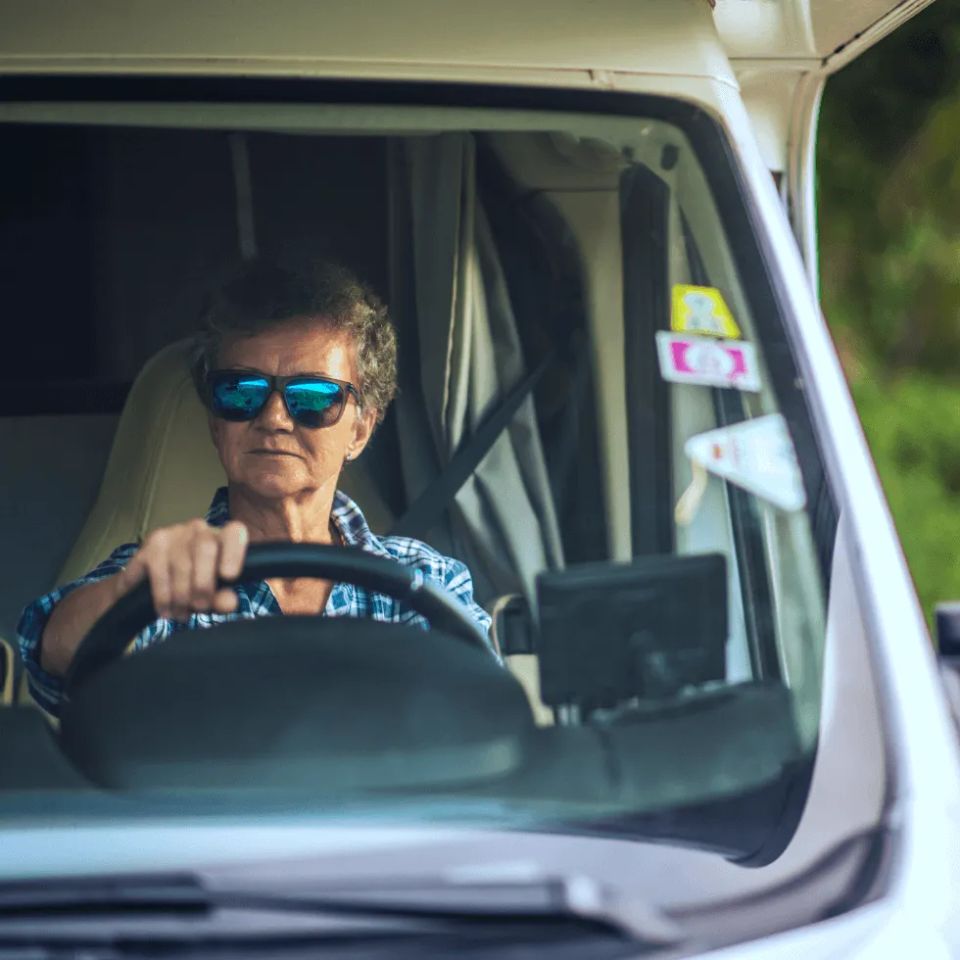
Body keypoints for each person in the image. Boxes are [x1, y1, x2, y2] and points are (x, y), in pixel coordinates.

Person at [18, 260, 494, 715]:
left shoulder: (423, 580)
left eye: (313, 397)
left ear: (360, 430)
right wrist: (133, 592)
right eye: (241, 392)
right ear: (215, 423)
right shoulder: (167, 575)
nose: (272, 418)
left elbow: (480, 714)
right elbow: (55, 652)